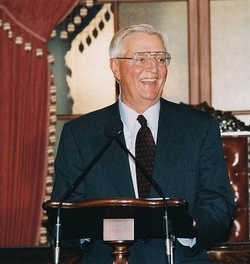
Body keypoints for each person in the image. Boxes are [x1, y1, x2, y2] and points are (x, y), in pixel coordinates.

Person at [51, 24, 235, 264]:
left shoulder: (199, 128)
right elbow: (65, 209)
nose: (154, 68)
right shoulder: (81, 133)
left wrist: (186, 226)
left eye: (161, 58)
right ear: (115, 67)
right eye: (140, 58)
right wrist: (92, 229)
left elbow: (219, 203)